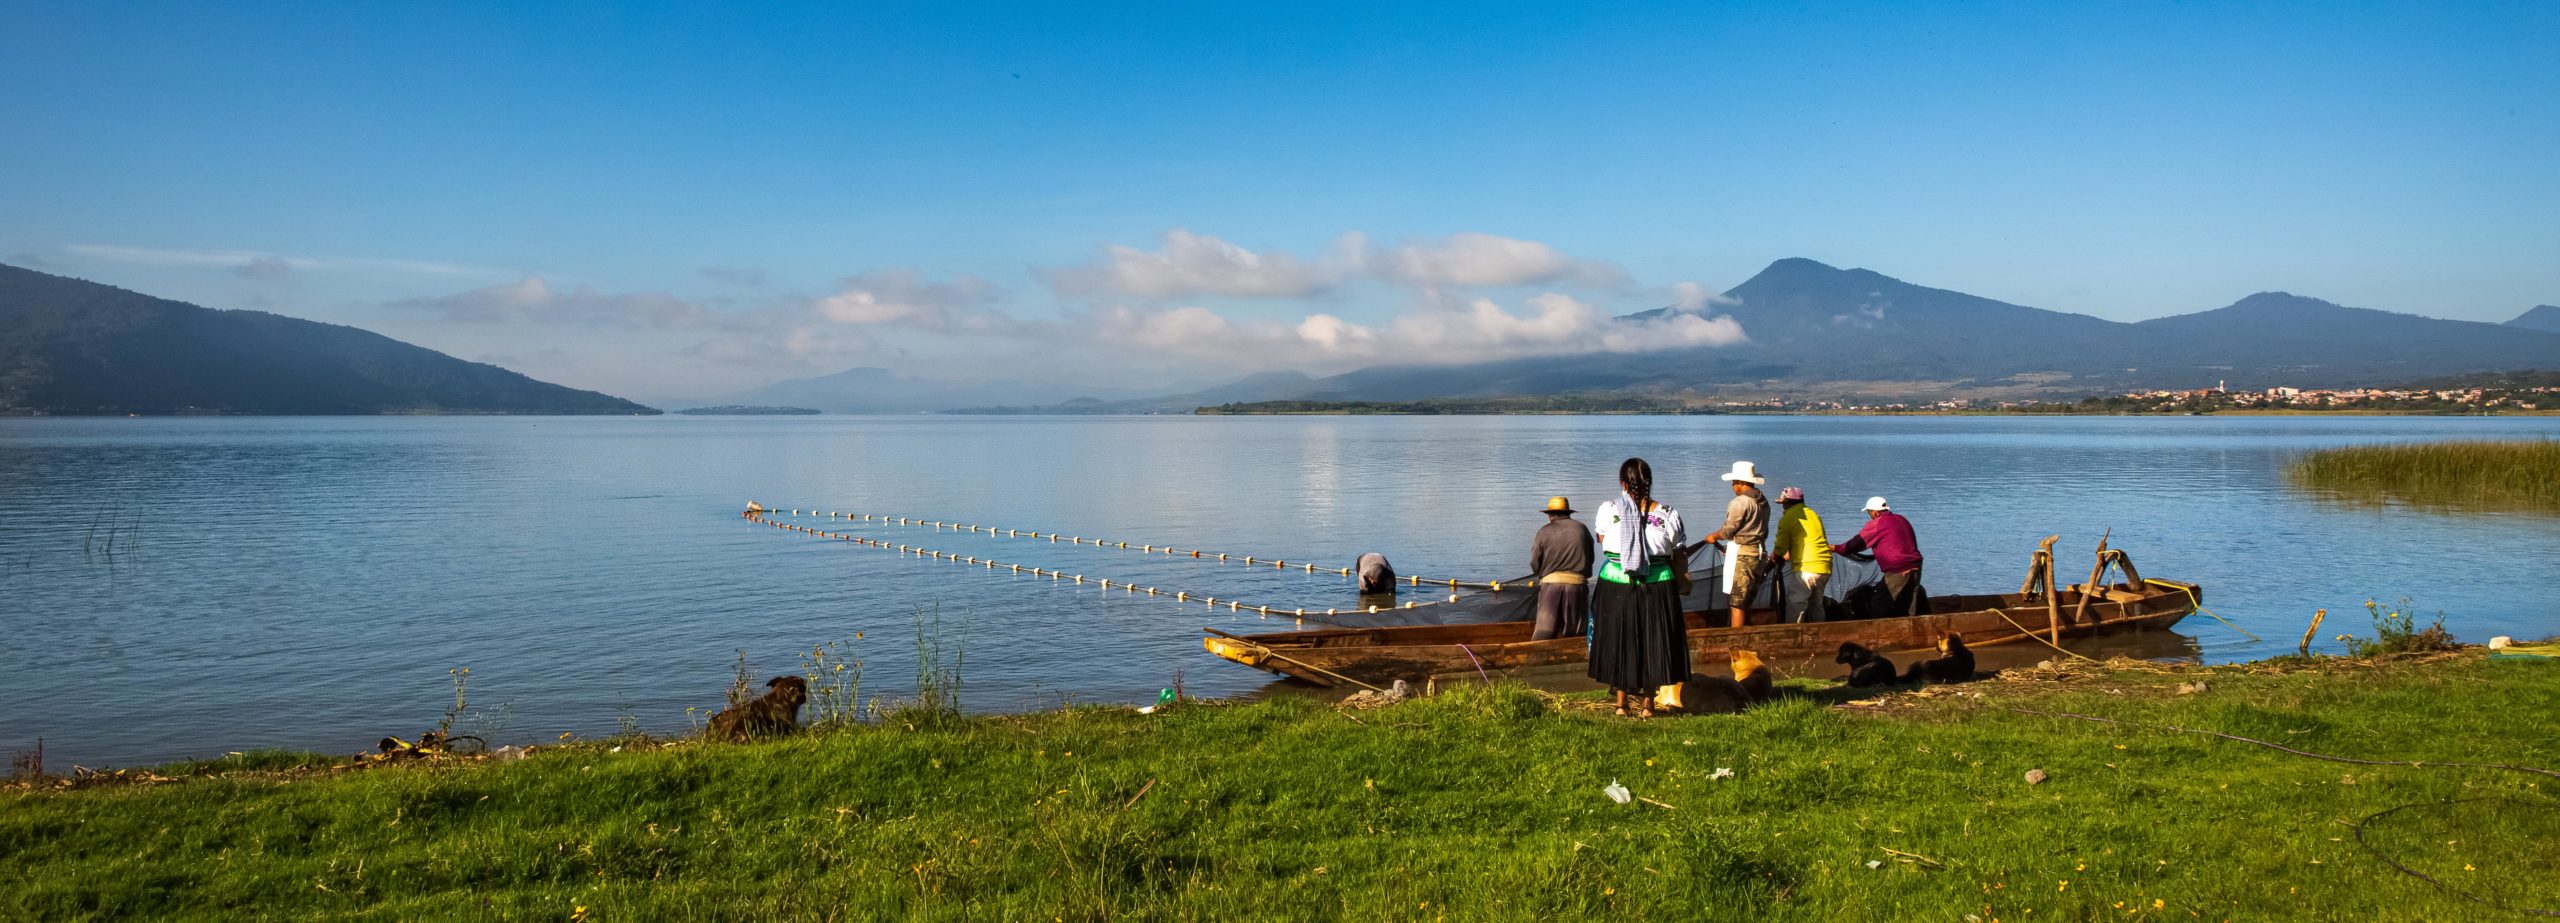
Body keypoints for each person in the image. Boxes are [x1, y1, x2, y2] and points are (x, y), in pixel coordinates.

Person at [1588, 457, 1689, 718]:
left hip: (1617, 582)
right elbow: (1679, 551)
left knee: (1618, 640)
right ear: (1650, 483)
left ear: (1623, 484)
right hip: (1658, 584)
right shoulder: (1668, 514)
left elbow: (1601, 539)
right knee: (1653, 642)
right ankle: (1648, 705)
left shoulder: (1608, 509)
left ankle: (1621, 704)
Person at [1694, 461, 1769, 629]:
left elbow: (1728, 531)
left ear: (1741, 483)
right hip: (1759, 553)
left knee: (1737, 603)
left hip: (1743, 555)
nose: (1733, 486)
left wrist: (1713, 536)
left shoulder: (1740, 503)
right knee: (1746, 599)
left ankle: (1737, 642)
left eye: (1734, 482)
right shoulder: (1763, 501)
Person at [1833, 496, 1925, 616]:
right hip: (1916, 565)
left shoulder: (1877, 524)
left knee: (1879, 604)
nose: (1869, 515)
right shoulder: (1901, 519)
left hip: (1898, 569)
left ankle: (1884, 632)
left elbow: (1856, 543)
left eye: (1869, 512)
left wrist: (1835, 548)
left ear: (1875, 512)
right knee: (1909, 604)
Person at [1527, 496, 1594, 640]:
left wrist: (1542, 574)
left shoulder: (1544, 531)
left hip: (1551, 587)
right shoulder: (1582, 529)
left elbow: (1535, 563)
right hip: (1578, 587)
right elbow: (1590, 558)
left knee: (1544, 634)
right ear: (1568, 513)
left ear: (1550, 516)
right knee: (1577, 632)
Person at [1771, 487, 1832, 623]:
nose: (1783, 508)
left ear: (1788, 503)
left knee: (1796, 603)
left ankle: (1792, 636)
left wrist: (1772, 560)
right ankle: (1820, 634)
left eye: (1783, 504)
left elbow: (1780, 548)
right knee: (1816, 604)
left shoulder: (1788, 518)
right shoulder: (1813, 514)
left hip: (1807, 568)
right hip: (1825, 566)